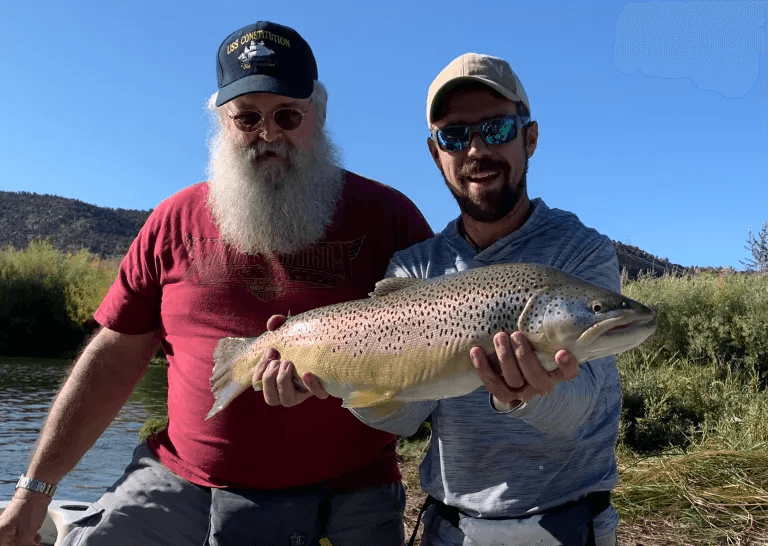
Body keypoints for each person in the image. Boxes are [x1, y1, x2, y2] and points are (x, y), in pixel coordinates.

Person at [0, 21, 433, 546]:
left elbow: (434, 344)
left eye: (287, 115)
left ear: (318, 114)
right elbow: (113, 359)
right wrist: (32, 494)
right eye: (247, 117)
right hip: (180, 484)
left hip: (349, 494)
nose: (268, 134)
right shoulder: (173, 220)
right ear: (221, 122)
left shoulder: (389, 217)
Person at [350, 53, 623, 545]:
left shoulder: (580, 252)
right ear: (437, 155)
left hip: (568, 525)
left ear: (530, 138)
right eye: (455, 136)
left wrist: (520, 395)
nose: (476, 150)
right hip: (452, 530)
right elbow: (406, 416)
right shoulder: (416, 268)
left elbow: (582, 405)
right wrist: (343, 386)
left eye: (495, 129)